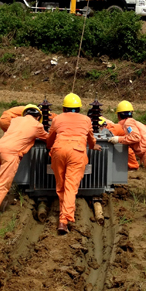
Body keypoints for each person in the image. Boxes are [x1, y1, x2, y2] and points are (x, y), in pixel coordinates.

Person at [0, 105, 48, 221]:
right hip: (11, 153)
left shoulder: (15, 120)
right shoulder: (37, 125)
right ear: (38, 117)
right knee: (2, 184)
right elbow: (48, 139)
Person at [46, 93, 102, 234]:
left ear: (64, 108)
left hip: (58, 150)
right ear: (79, 108)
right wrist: (92, 146)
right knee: (70, 187)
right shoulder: (86, 119)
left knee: (61, 185)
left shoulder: (57, 118)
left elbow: (50, 138)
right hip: (77, 152)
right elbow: (90, 137)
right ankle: (64, 220)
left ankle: (63, 217)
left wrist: (49, 147)